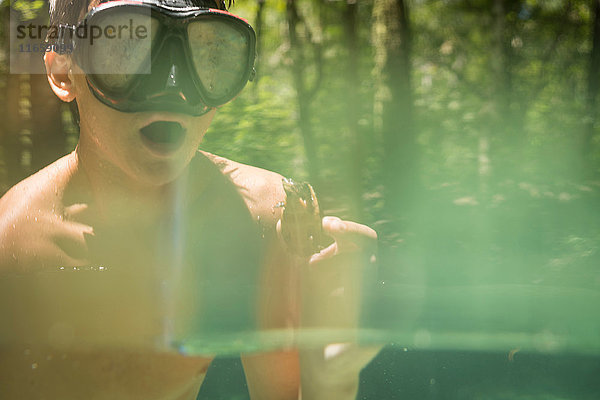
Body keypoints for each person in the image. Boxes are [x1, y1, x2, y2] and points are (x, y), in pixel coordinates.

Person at [0, 0, 380, 398]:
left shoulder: (264, 220)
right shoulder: (16, 245)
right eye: (126, 47)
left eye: (208, 53)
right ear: (64, 72)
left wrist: (330, 382)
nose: (173, 88)